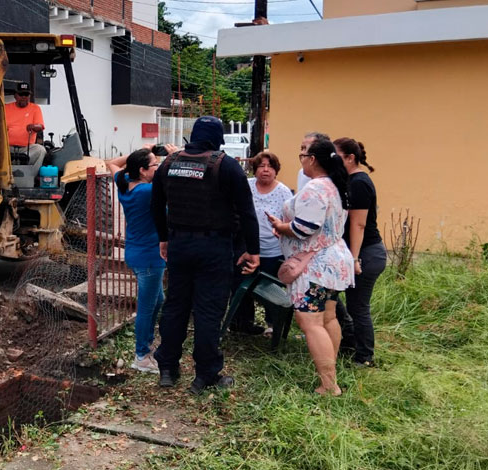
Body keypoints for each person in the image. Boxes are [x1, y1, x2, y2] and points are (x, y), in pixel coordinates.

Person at [151, 116, 260, 394]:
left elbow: (156, 206)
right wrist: (253, 251)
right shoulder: (225, 165)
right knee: (208, 311)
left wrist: (164, 238)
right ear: (216, 139)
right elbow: (247, 212)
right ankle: (205, 375)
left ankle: (167, 368)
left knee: (176, 306)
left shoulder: (168, 164)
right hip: (214, 248)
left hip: (179, 245)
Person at [267, 138, 354, 396]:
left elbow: (305, 228)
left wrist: (281, 227)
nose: (301, 158)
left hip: (315, 266)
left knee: (310, 322)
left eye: (303, 154)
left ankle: (329, 384)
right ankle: (330, 373)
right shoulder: (336, 185)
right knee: (328, 318)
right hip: (334, 261)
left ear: (313, 159)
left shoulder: (315, 187)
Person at [106, 143, 177, 373]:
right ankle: (141, 356)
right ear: (143, 171)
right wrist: (175, 155)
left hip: (137, 253)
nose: (157, 167)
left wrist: (139, 150)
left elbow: (112, 163)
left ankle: (145, 346)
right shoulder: (148, 192)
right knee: (146, 307)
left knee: (157, 300)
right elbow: (174, 179)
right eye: (154, 164)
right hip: (150, 256)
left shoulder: (125, 185)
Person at [333, 137, 386, 368]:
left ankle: (365, 357)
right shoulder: (350, 181)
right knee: (331, 297)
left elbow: (358, 224)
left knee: (358, 306)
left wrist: (354, 259)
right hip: (355, 252)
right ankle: (349, 341)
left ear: (350, 158)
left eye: (337, 157)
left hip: (367, 254)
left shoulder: (359, 183)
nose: (333, 162)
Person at [232, 151, 293, 336]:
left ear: (276, 170)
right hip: (247, 248)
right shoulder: (247, 186)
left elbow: (290, 221)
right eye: (261, 166)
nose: (265, 170)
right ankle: (242, 324)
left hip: (272, 249)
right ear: (254, 169)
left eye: (270, 166)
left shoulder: (283, 192)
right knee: (242, 285)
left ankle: (272, 325)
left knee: (269, 290)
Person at [4, 82, 45, 178]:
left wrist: (34, 126)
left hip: (27, 149)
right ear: (15, 95)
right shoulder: (6, 108)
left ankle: (30, 177)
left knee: (41, 150)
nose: (23, 97)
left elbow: (40, 126)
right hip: (6, 147)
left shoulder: (35, 108)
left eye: (26, 94)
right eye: (21, 94)